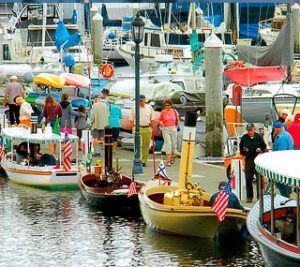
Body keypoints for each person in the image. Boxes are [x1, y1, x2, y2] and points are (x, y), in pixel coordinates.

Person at [239, 123, 267, 203]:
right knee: (248, 179)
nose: (250, 132)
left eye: (251, 130)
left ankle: (259, 197)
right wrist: (243, 154)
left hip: (257, 160)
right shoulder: (244, 138)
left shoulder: (258, 137)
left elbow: (264, 147)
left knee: (259, 180)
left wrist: (262, 153)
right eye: (248, 130)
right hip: (249, 160)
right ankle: (249, 196)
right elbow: (241, 148)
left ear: (254, 129)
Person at [129, 94, 154, 167]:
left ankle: (144, 161)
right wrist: (132, 129)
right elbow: (131, 119)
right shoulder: (134, 108)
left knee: (146, 145)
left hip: (147, 127)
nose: (140, 102)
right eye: (139, 101)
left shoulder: (149, 107)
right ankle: (138, 159)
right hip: (137, 128)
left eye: (142, 101)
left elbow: (152, 118)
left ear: (145, 100)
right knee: (138, 145)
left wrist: (152, 128)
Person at [273, 121, 294, 198]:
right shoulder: (286, 135)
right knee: (286, 184)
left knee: (282, 184)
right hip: (286, 163)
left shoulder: (282, 138)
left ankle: (286, 201)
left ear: (277, 129)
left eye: (274, 129)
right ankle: (288, 199)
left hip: (282, 165)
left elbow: (280, 153)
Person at [158, 99, 179, 166]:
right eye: (166, 105)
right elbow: (159, 120)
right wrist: (161, 123)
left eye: (168, 105)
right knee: (168, 144)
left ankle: (172, 157)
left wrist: (176, 126)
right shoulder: (163, 112)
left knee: (173, 144)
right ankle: (168, 160)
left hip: (173, 128)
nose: (167, 106)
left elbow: (178, 119)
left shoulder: (174, 111)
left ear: (171, 105)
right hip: (165, 129)